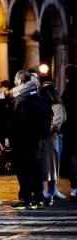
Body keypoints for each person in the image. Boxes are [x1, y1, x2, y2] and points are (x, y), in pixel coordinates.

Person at [10, 70, 47, 209]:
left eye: (15, 80)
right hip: (35, 140)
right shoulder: (36, 95)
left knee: (24, 171)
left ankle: (26, 199)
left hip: (22, 141)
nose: (14, 82)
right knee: (36, 170)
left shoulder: (21, 97)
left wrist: (12, 138)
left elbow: (19, 121)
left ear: (19, 81)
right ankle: (39, 199)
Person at [39, 81, 67, 205]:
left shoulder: (56, 106)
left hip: (52, 139)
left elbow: (56, 124)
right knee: (44, 165)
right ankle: (44, 190)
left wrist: (45, 129)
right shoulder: (47, 105)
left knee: (53, 165)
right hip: (45, 139)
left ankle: (51, 191)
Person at [61, 64, 77, 202]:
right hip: (71, 130)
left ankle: (75, 188)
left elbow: (64, 112)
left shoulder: (67, 92)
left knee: (73, 161)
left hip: (71, 131)